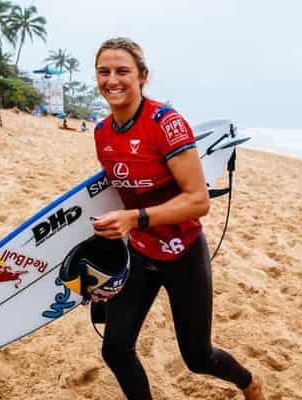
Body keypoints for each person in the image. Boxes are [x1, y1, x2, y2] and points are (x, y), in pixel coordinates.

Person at [91, 37, 265, 400]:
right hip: (138, 253)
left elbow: (198, 201)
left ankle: (250, 382)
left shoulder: (165, 123)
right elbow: (122, 192)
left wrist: (135, 219)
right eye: (104, 71)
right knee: (116, 349)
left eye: (123, 71)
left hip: (182, 251)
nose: (112, 80)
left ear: (142, 77)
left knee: (198, 357)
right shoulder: (102, 132)